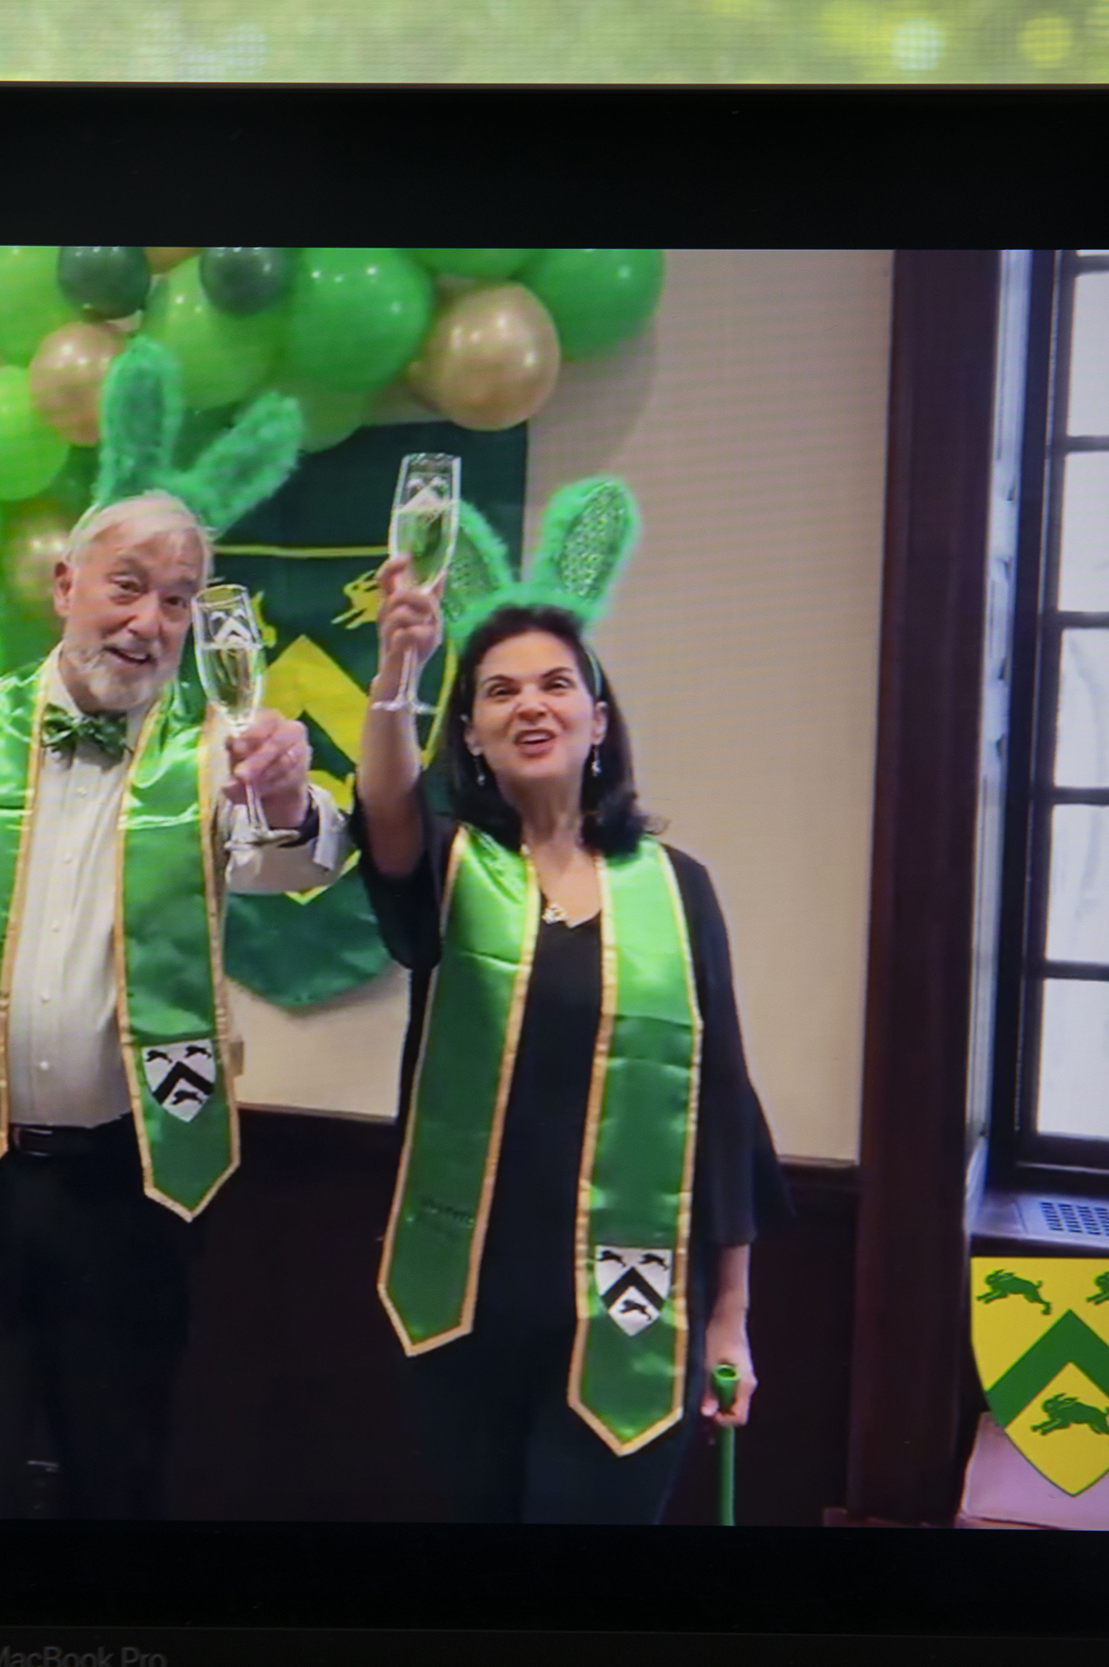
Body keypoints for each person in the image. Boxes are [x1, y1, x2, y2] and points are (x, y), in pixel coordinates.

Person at [0, 485, 348, 1520]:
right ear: (67, 585)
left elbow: (296, 861)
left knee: (119, 1469)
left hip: (133, 1178)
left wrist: (288, 797)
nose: (148, 621)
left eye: (178, 599)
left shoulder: (211, 759)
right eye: (127, 586)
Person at [350, 495, 791, 1526]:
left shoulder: (677, 888)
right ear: (472, 732)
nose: (529, 704)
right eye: (499, 691)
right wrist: (393, 680)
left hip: (631, 1309)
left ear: (598, 719)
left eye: (557, 684)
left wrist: (728, 1319)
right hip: (466, 1304)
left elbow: (721, 1111)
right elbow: (384, 810)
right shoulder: (455, 866)